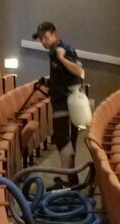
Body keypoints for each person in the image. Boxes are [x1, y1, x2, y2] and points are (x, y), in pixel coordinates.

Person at [33, 21, 85, 187]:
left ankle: (65, 181)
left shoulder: (64, 50)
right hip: (60, 105)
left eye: (45, 37)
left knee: (65, 144)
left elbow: (80, 72)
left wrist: (62, 58)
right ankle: (70, 177)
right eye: (40, 39)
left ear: (54, 34)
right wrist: (48, 82)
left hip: (67, 107)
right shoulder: (53, 52)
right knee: (64, 143)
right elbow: (64, 77)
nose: (43, 41)